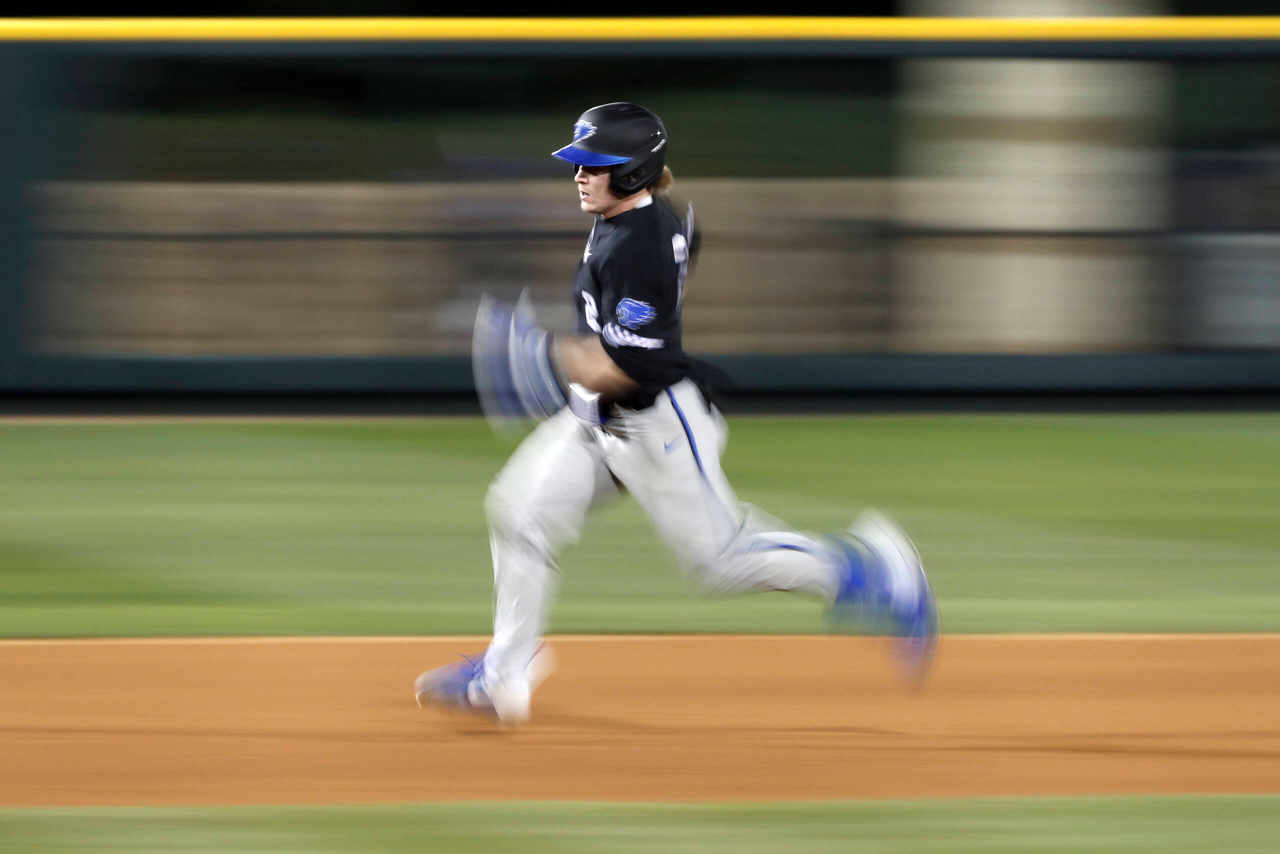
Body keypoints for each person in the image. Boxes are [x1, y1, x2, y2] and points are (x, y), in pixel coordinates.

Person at [415, 102, 938, 725]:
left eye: (594, 164)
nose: (579, 174)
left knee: (720, 563)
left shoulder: (638, 244)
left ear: (633, 173)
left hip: (657, 424)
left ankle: (869, 568)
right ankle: (504, 675)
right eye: (578, 162)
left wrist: (536, 353)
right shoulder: (634, 220)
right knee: (519, 514)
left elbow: (622, 370)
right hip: (601, 420)